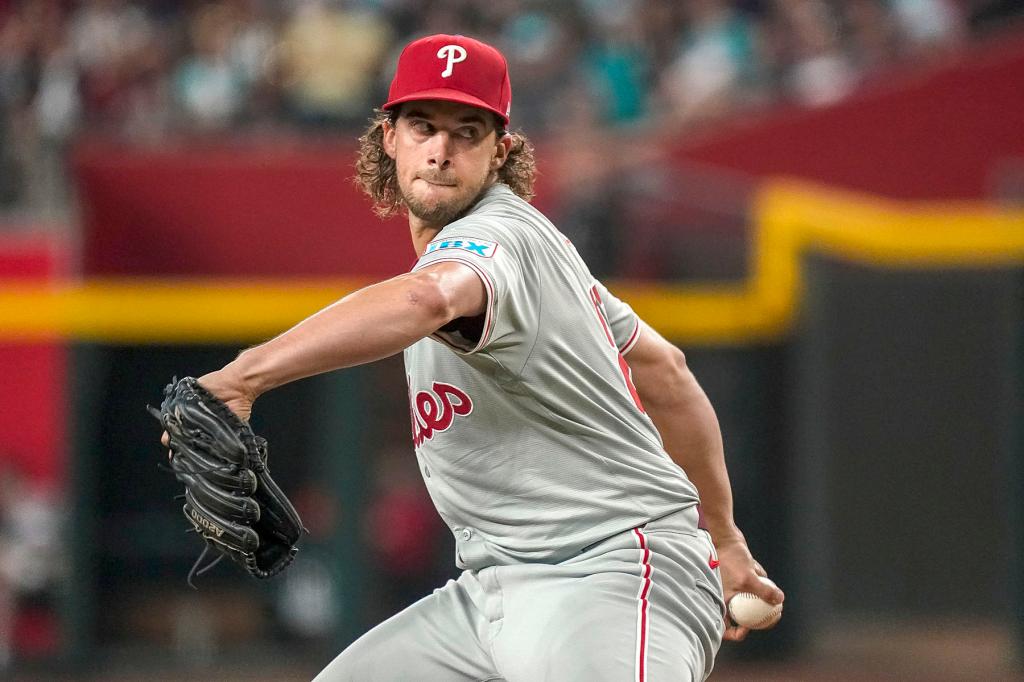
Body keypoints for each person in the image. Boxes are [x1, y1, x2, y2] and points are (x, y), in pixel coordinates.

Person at [187, 34, 784, 681]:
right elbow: (666, 372)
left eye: (466, 132)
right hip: (491, 595)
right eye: (423, 127)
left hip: (613, 576)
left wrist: (243, 377)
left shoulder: (492, 235)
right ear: (388, 137)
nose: (441, 149)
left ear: (500, 152)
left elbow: (426, 299)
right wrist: (723, 539)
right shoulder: (543, 254)